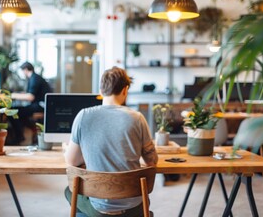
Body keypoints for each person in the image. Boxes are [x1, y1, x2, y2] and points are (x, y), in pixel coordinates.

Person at [64, 66, 158, 216]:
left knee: (68, 191)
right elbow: (151, 162)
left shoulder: (83, 116)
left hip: (98, 208)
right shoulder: (137, 118)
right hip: (133, 207)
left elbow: (72, 161)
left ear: (100, 91)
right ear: (125, 90)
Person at [10, 62, 51, 144]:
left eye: (22, 71)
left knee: (13, 112)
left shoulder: (34, 78)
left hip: (41, 106)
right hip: (39, 104)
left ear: (25, 70)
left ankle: (20, 136)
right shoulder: (34, 78)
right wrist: (19, 94)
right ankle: (26, 133)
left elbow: (30, 97)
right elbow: (30, 94)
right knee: (18, 111)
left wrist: (13, 95)